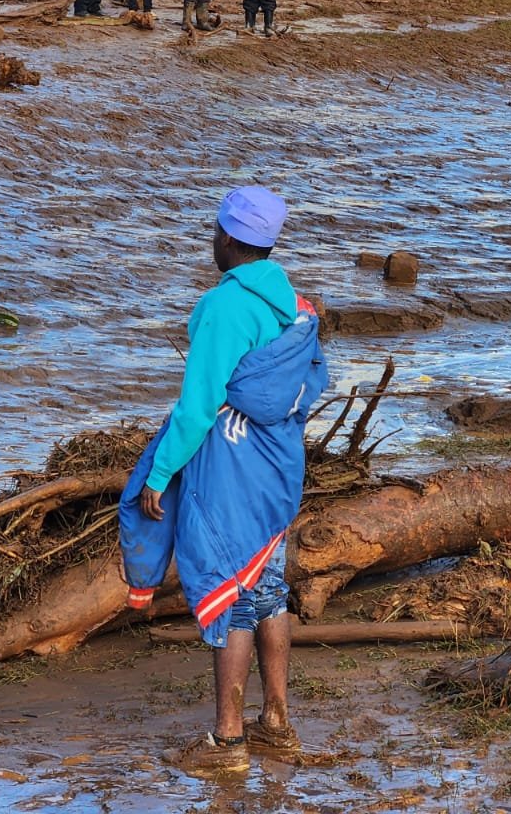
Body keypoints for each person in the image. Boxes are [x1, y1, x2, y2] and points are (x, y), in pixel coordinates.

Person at [118, 186, 326, 780]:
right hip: (277, 469)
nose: (213, 240)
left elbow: (199, 406)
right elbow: (305, 384)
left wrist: (159, 473)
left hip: (231, 470)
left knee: (230, 590)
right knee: (268, 588)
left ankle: (228, 737)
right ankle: (277, 723)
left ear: (230, 238)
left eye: (215, 231)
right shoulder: (294, 302)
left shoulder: (224, 308)